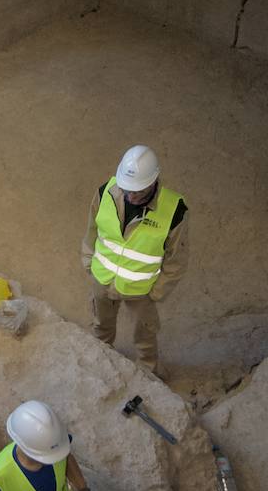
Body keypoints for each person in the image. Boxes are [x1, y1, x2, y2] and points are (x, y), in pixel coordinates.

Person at [81, 144, 189, 377]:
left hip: (141, 290)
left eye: (138, 190)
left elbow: (176, 259)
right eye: (127, 188)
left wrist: (157, 292)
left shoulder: (173, 211)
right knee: (101, 326)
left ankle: (148, 374)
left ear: (153, 181)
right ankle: (100, 360)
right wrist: (89, 260)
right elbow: (92, 230)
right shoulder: (105, 193)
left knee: (145, 335)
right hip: (102, 279)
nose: (131, 195)